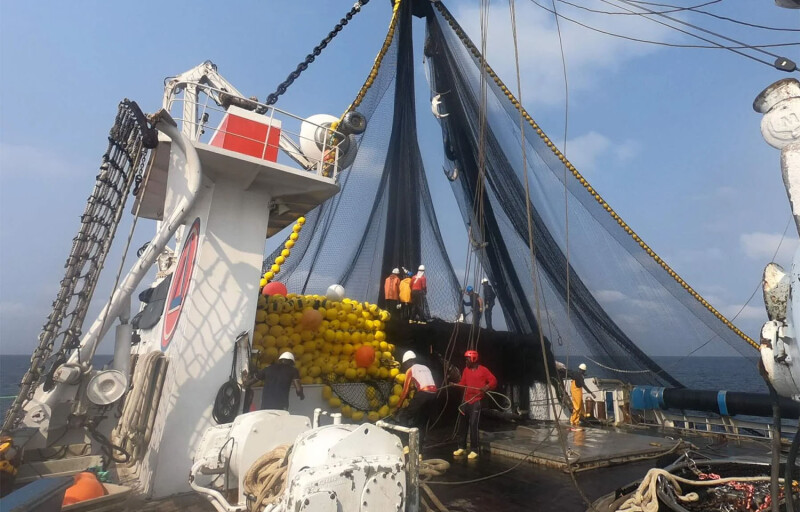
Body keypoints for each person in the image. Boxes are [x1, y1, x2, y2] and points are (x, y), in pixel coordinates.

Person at [453, 350, 497, 460]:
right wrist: (455, 385)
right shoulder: (466, 370)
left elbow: (493, 381)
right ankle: (461, 447)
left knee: (473, 424)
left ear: (473, 359)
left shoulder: (483, 370)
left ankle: (474, 449)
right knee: (462, 424)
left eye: (467, 359)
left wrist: (486, 387)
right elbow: (463, 383)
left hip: (476, 400)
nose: (465, 361)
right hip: (467, 400)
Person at [394, 350, 438, 447]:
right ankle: (419, 451)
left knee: (403, 416)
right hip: (433, 395)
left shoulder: (410, 370)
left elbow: (405, 391)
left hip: (423, 394)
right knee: (420, 422)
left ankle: (405, 445)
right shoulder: (425, 367)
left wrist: (397, 407)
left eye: (405, 364)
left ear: (408, 362)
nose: (405, 367)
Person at [569, 363, 595, 430]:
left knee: (580, 406)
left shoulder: (575, 373)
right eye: (584, 371)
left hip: (574, 391)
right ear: (583, 370)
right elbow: (583, 385)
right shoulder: (580, 377)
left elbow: (570, 374)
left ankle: (578, 419)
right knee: (577, 407)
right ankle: (573, 421)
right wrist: (591, 393)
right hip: (577, 392)